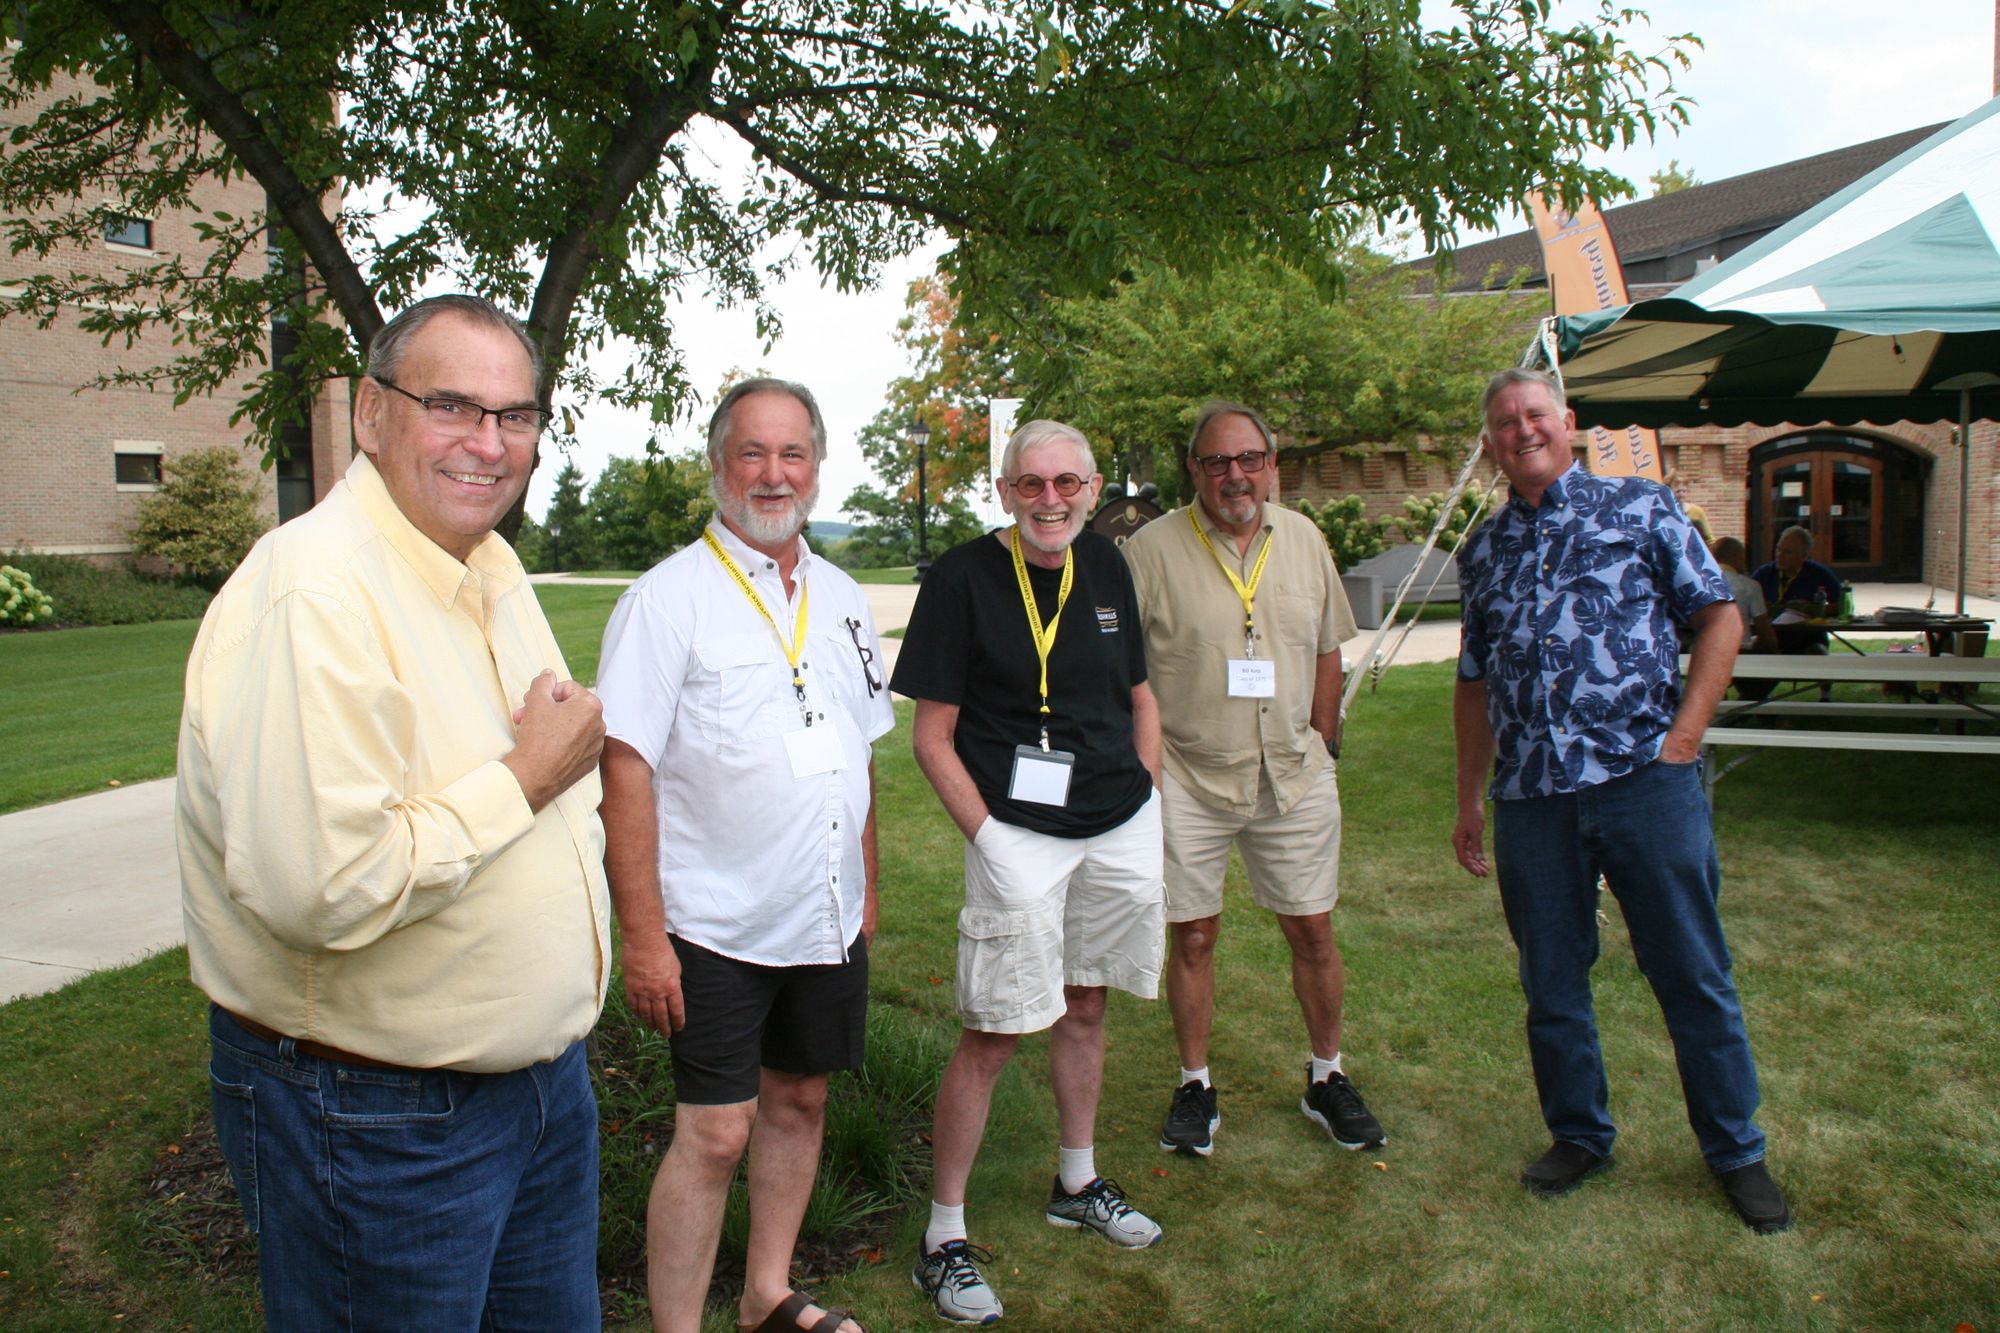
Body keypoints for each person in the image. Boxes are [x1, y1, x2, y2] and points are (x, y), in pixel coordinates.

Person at [177, 294, 612, 1328]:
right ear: (371, 414)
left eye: (516, 415)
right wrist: (526, 778)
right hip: (378, 1114)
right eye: (451, 405)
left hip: (537, 1091)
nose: (488, 443)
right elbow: (322, 886)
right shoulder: (316, 593)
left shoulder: (485, 564)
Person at [1450, 367, 1791, 1234]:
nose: (1523, 430)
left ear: (1567, 421)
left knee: (1690, 971)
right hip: (1533, 797)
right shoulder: (1482, 552)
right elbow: (1474, 682)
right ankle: (1579, 1134)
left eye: (1535, 414)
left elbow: (1720, 617)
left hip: (1645, 783)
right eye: (1505, 422)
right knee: (1552, 980)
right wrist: (1469, 799)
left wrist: (1684, 742)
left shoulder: (1642, 508)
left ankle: (1736, 1150)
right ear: (1490, 444)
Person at [596, 379, 892, 1333]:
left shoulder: (843, 598)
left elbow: (857, 752)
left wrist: (867, 889)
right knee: (716, 1132)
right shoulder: (666, 600)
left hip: (824, 911)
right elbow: (624, 771)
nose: (773, 473)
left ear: (816, 466)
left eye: (792, 452)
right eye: (752, 452)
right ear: (719, 465)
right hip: (714, 921)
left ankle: (767, 1293)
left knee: (799, 1099)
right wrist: (645, 938)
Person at [892, 419, 1166, 1325]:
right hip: (1016, 832)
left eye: (1068, 483)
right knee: (995, 1027)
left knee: (1086, 1001)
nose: (1051, 500)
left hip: (1116, 821)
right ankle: (943, 1235)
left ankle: (1077, 1181)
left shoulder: (1108, 564)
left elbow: (1139, 695)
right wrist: (989, 837)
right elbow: (932, 736)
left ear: (1092, 488)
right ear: (1006, 490)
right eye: (1032, 484)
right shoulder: (962, 577)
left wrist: (1146, 790)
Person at [1122, 401, 1385, 1159]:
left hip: (1293, 775)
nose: (1233, 475)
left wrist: (1325, 738)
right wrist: (1147, 768)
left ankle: (1327, 1076)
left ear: (1271, 465)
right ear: (1193, 470)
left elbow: (1330, 647)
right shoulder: (1149, 551)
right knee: (1194, 934)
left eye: (1248, 459)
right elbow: (1124, 669)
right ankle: (1194, 1084)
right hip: (1189, 776)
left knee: (1313, 928)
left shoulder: (1303, 538)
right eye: (1216, 461)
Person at [1752, 524, 1845, 653]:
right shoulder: (1764, 574)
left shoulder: (1818, 573)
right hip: (1772, 637)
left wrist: (1812, 609)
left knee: (1817, 651)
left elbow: (1842, 604)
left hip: (1807, 638)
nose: (1780, 555)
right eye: (1778, 549)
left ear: (1804, 556)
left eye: (1787, 552)